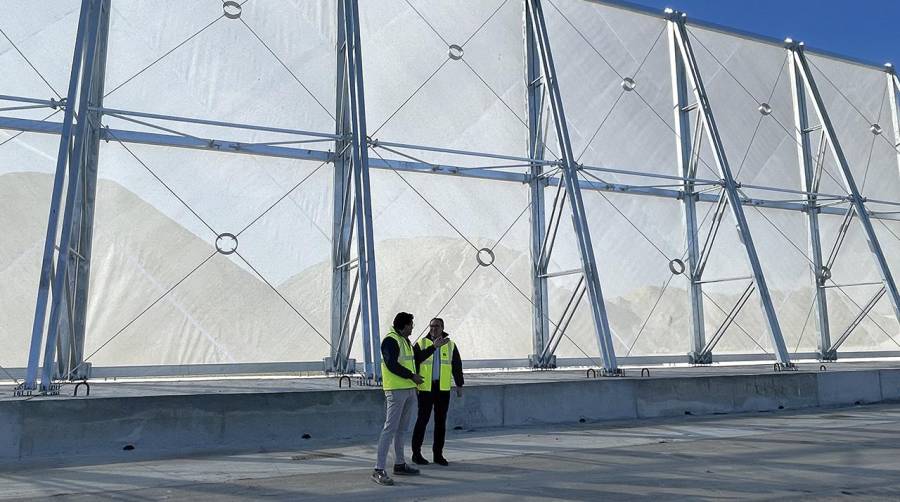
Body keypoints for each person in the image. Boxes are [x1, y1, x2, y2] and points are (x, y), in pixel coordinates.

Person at [372, 312, 449, 486]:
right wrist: (411, 376)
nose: (413, 328)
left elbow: (416, 360)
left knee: (401, 429)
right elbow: (391, 364)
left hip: (408, 389)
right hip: (396, 390)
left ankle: (400, 464)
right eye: (411, 325)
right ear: (404, 325)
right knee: (389, 429)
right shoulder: (391, 340)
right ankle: (378, 469)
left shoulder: (405, 341)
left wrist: (433, 347)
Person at [411, 317, 464, 466]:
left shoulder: (450, 345)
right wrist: (433, 347)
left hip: (442, 389)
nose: (433, 329)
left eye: (437, 326)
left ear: (442, 328)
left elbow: (456, 366)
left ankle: (438, 454)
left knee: (440, 422)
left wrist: (459, 385)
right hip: (426, 388)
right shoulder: (422, 344)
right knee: (422, 421)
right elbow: (415, 360)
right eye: (431, 326)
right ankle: (416, 453)